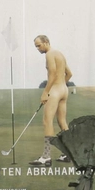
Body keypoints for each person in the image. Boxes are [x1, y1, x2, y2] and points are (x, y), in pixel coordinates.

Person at [30, 35, 72, 167]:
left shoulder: (49, 54)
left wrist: (46, 92)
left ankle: (46, 158)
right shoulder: (60, 54)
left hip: (55, 91)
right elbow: (69, 74)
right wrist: (61, 86)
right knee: (62, 122)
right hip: (64, 90)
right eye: (36, 46)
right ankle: (68, 154)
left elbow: (52, 73)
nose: (38, 48)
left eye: (39, 45)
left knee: (47, 122)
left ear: (46, 42)